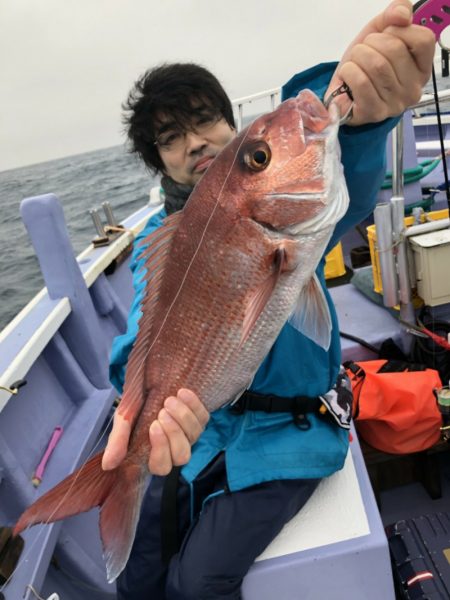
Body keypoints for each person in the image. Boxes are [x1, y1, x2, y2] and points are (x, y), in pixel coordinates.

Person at [102, 1, 435, 598]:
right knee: (137, 576)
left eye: (204, 121)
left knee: (198, 583)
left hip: (292, 430)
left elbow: (344, 184)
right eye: (171, 139)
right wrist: (137, 402)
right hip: (204, 432)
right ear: (159, 161)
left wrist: (355, 115)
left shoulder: (298, 223)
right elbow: (140, 329)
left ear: (230, 124)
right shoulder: (159, 239)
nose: (194, 143)